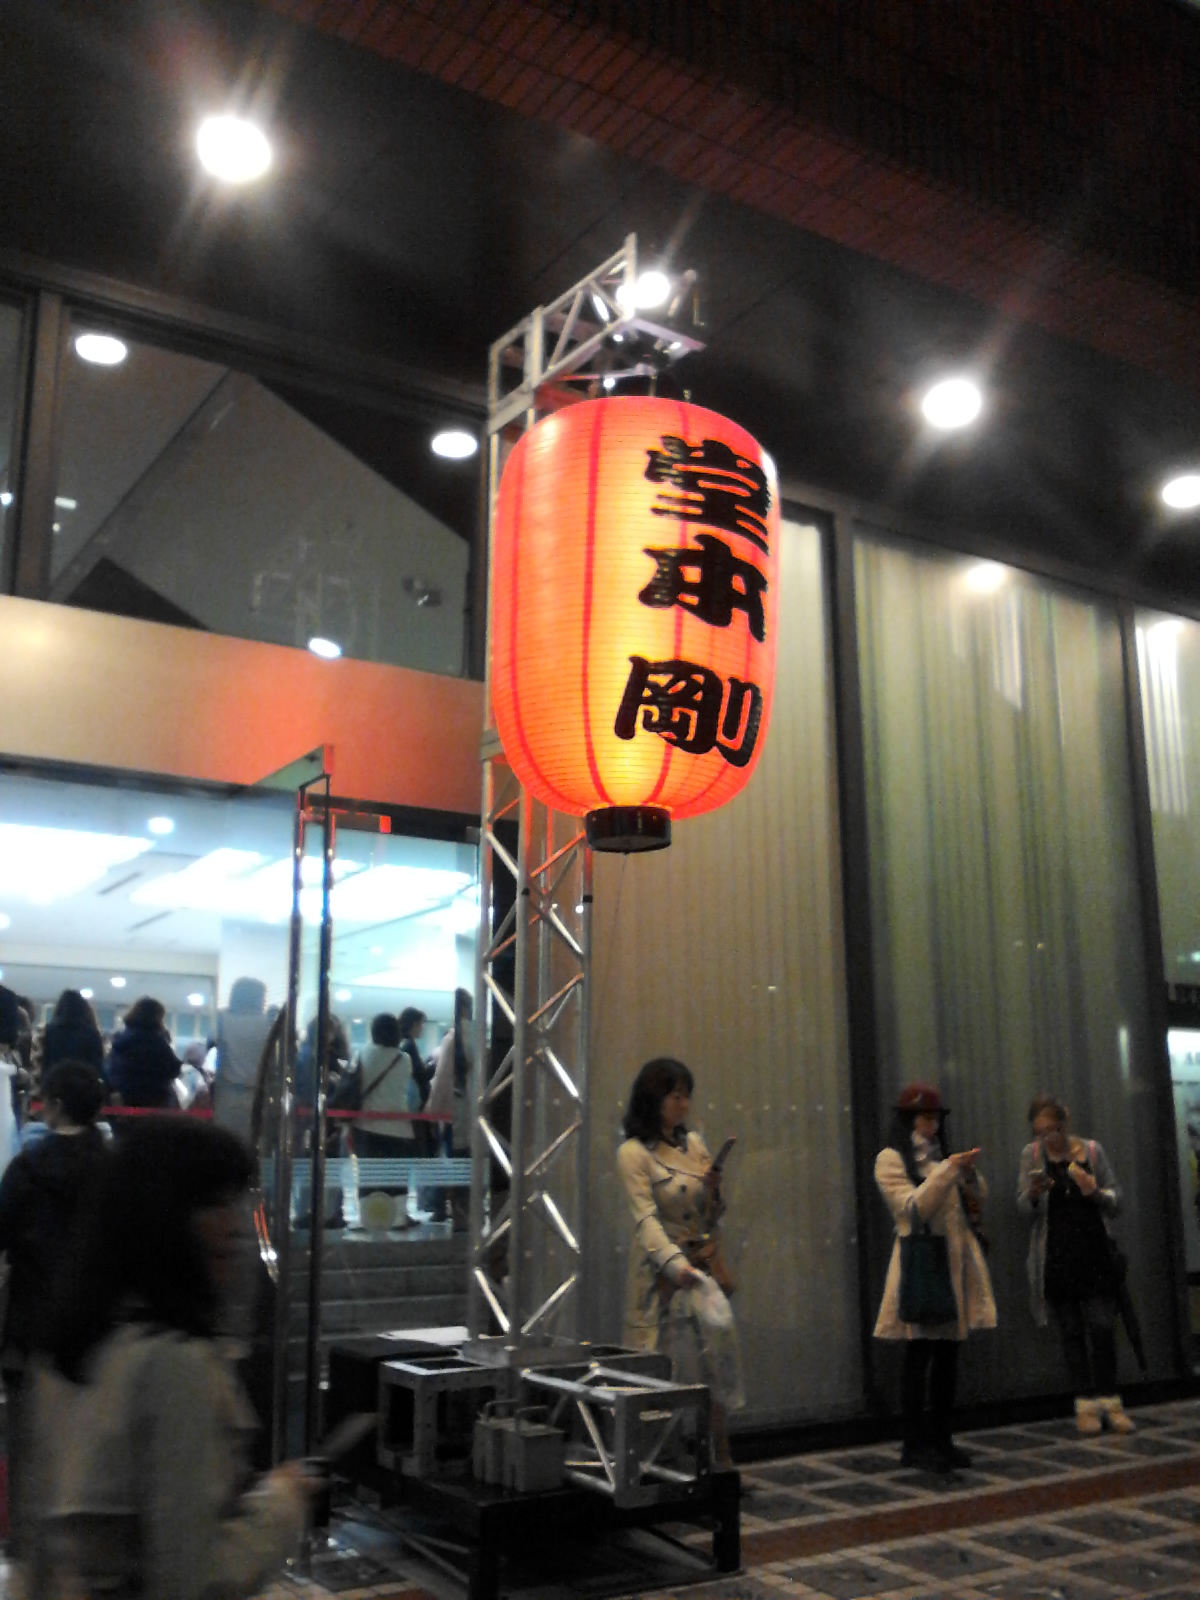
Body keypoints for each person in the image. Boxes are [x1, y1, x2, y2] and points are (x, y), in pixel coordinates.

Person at [29, 1117, 313, 1600]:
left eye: (234, 1203)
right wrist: (282, 1504)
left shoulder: (72, 1344)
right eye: (212, 1204)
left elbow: (40, 1542)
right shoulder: (176, 1364)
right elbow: (190, 1580)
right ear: (160, 1216)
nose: (233, 1227)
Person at [0, 1060, 109, 1566]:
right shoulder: (114, 1171)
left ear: (55, 1105)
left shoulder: (26, 1169)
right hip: (97, 1334)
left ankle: (26, 1547)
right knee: (90, 1446)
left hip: (31, 1331)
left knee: (27, 1447)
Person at [616, 1056, 739, 1470]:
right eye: (675, 1096)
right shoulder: (634, 1153)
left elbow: (710, 1214)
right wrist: (675, 1267)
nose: (684, 1105)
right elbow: (645, 1221)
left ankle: (718, 1459)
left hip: (699, 1267)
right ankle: (658, 1465)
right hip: (661, 1275)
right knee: (660, 1366)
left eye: (687, 1096)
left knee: (713, 1364)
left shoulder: (695, 1144)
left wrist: (713, 1190)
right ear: (653, 1099)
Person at [874, 1082, 996, 1472]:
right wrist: (948, 1170)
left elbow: (974, 1201)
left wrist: (970, 1176)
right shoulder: (890, 1159)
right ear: (908, 1120)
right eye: (924, 1118)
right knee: (919, 1355)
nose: (932, 1125)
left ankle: (942, 1439)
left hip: (954, 1261)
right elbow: (913, 1209)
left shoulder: (942, 1157)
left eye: (935, 1118)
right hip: (923, 1264)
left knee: (948, 1357)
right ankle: (913, 1443)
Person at [1017, 1092, 1134, 1435]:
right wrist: (1035, 1193)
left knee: (1101, 1328)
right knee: (1071, 1333)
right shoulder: (1032, 1156)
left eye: (1052, 1130)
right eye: (1039, 1133)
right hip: (1056, 1256)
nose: (1047, 1138)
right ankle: (1085, 1406)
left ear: (1064, 1124)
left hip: (1094, 1254)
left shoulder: (1092, 1151)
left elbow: (1117, 1200)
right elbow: (1022, 1207)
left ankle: (1111, 1403)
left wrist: (1095, 1191)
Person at [355, 1011, 418, 1205]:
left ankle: (369, 1217)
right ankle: (398, 1216)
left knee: (368, 1181)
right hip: (398, 1128)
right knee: (396, 1181)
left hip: (367, 1127)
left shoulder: (363, 1054)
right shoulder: (404, 1059)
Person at [426, 989, 473, 1225]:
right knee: (467, 1165)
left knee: (452, 1164)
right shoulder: (476, 1036)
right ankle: (466, 1215)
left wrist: (432, 1112)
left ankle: (456, 1215)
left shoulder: (452, 1039)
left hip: (454, 1113)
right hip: (473, 1113)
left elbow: (442, 1079)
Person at [211, 977, 272, 1147]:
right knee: (253, 1144)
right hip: (259, 1093)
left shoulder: (222, 1019)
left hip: (227, 1092)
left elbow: (209, 1043)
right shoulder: (268, 1023)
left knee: (224, 1143)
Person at [106, 996, 181, 1111]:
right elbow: (173, 1068)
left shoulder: (122, 1038)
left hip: (125, 1096)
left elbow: (111, 1068)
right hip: (154, 1098)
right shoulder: (156, 1041)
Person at [41, 989, 106, 1081]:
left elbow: (47, 1062)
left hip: (57, 1080)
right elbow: (97, 1065)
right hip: (84, 1081)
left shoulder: (52, 1032)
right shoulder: (91, 1033)